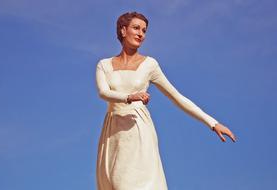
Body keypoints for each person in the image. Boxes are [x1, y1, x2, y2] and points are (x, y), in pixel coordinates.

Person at [95, 11, 236, 190]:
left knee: (131, 183)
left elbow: (177, 97)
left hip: (138, 129)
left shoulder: (149, 65)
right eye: (136, 28)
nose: (141, 34)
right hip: (113, 130)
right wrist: (130, 97)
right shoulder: (104, 65)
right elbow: (103, 93)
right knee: (113, 182)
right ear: (123, 31)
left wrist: (212, 123)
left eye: (144, 31)